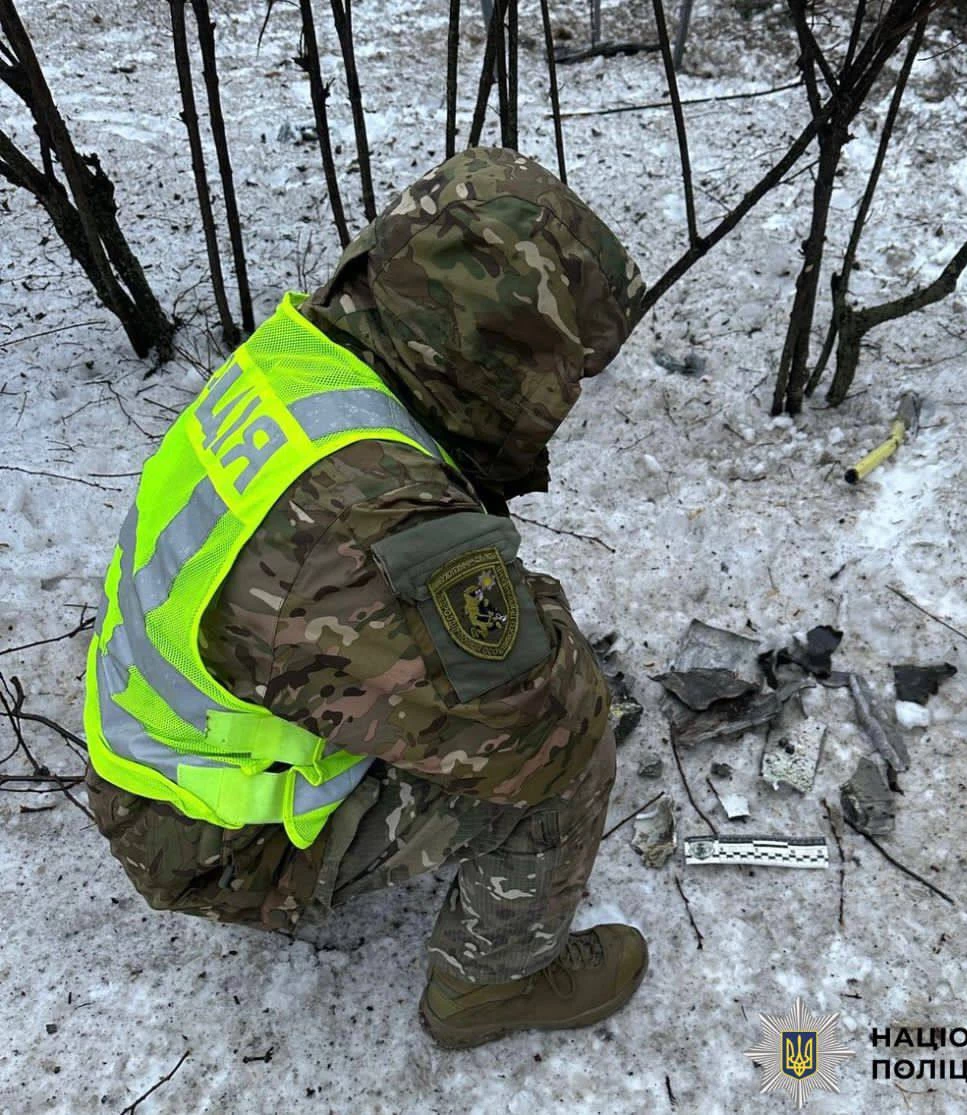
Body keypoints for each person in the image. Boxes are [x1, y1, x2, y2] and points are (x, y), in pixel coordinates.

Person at [83, 147, 648, 1049]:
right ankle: (491, 985)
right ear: (505, 352)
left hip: (161, 752)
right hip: (207, 836)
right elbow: (539, 729)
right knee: (568, 750)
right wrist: (525, 613)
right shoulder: (367, 519)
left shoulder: (304, 363)